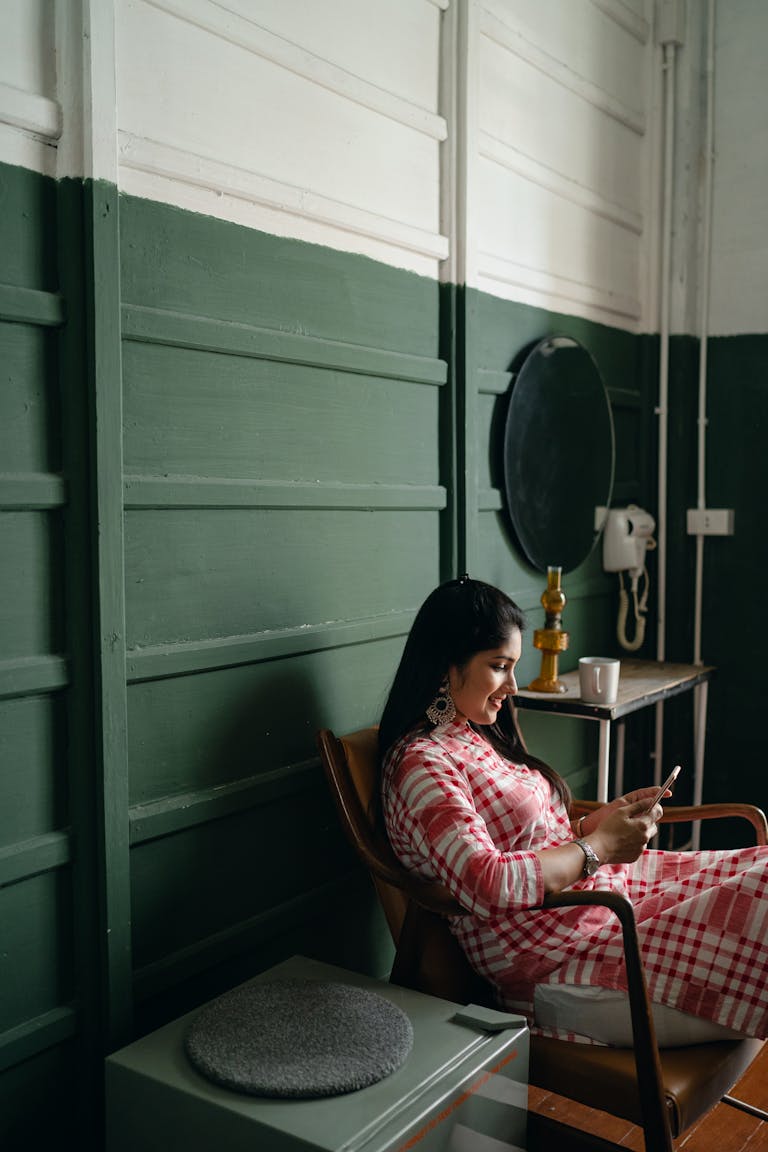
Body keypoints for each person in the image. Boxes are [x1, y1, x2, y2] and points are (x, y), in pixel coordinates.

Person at [378, 575, 768, 1047]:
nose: (512, 686)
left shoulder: (473, 732)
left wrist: (590, 825)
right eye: (499, 666)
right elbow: (486, 880)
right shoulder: (422, 765)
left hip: (609, 904)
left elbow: (530, 838)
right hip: (560, 953)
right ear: (446, 665)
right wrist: (598, 847)